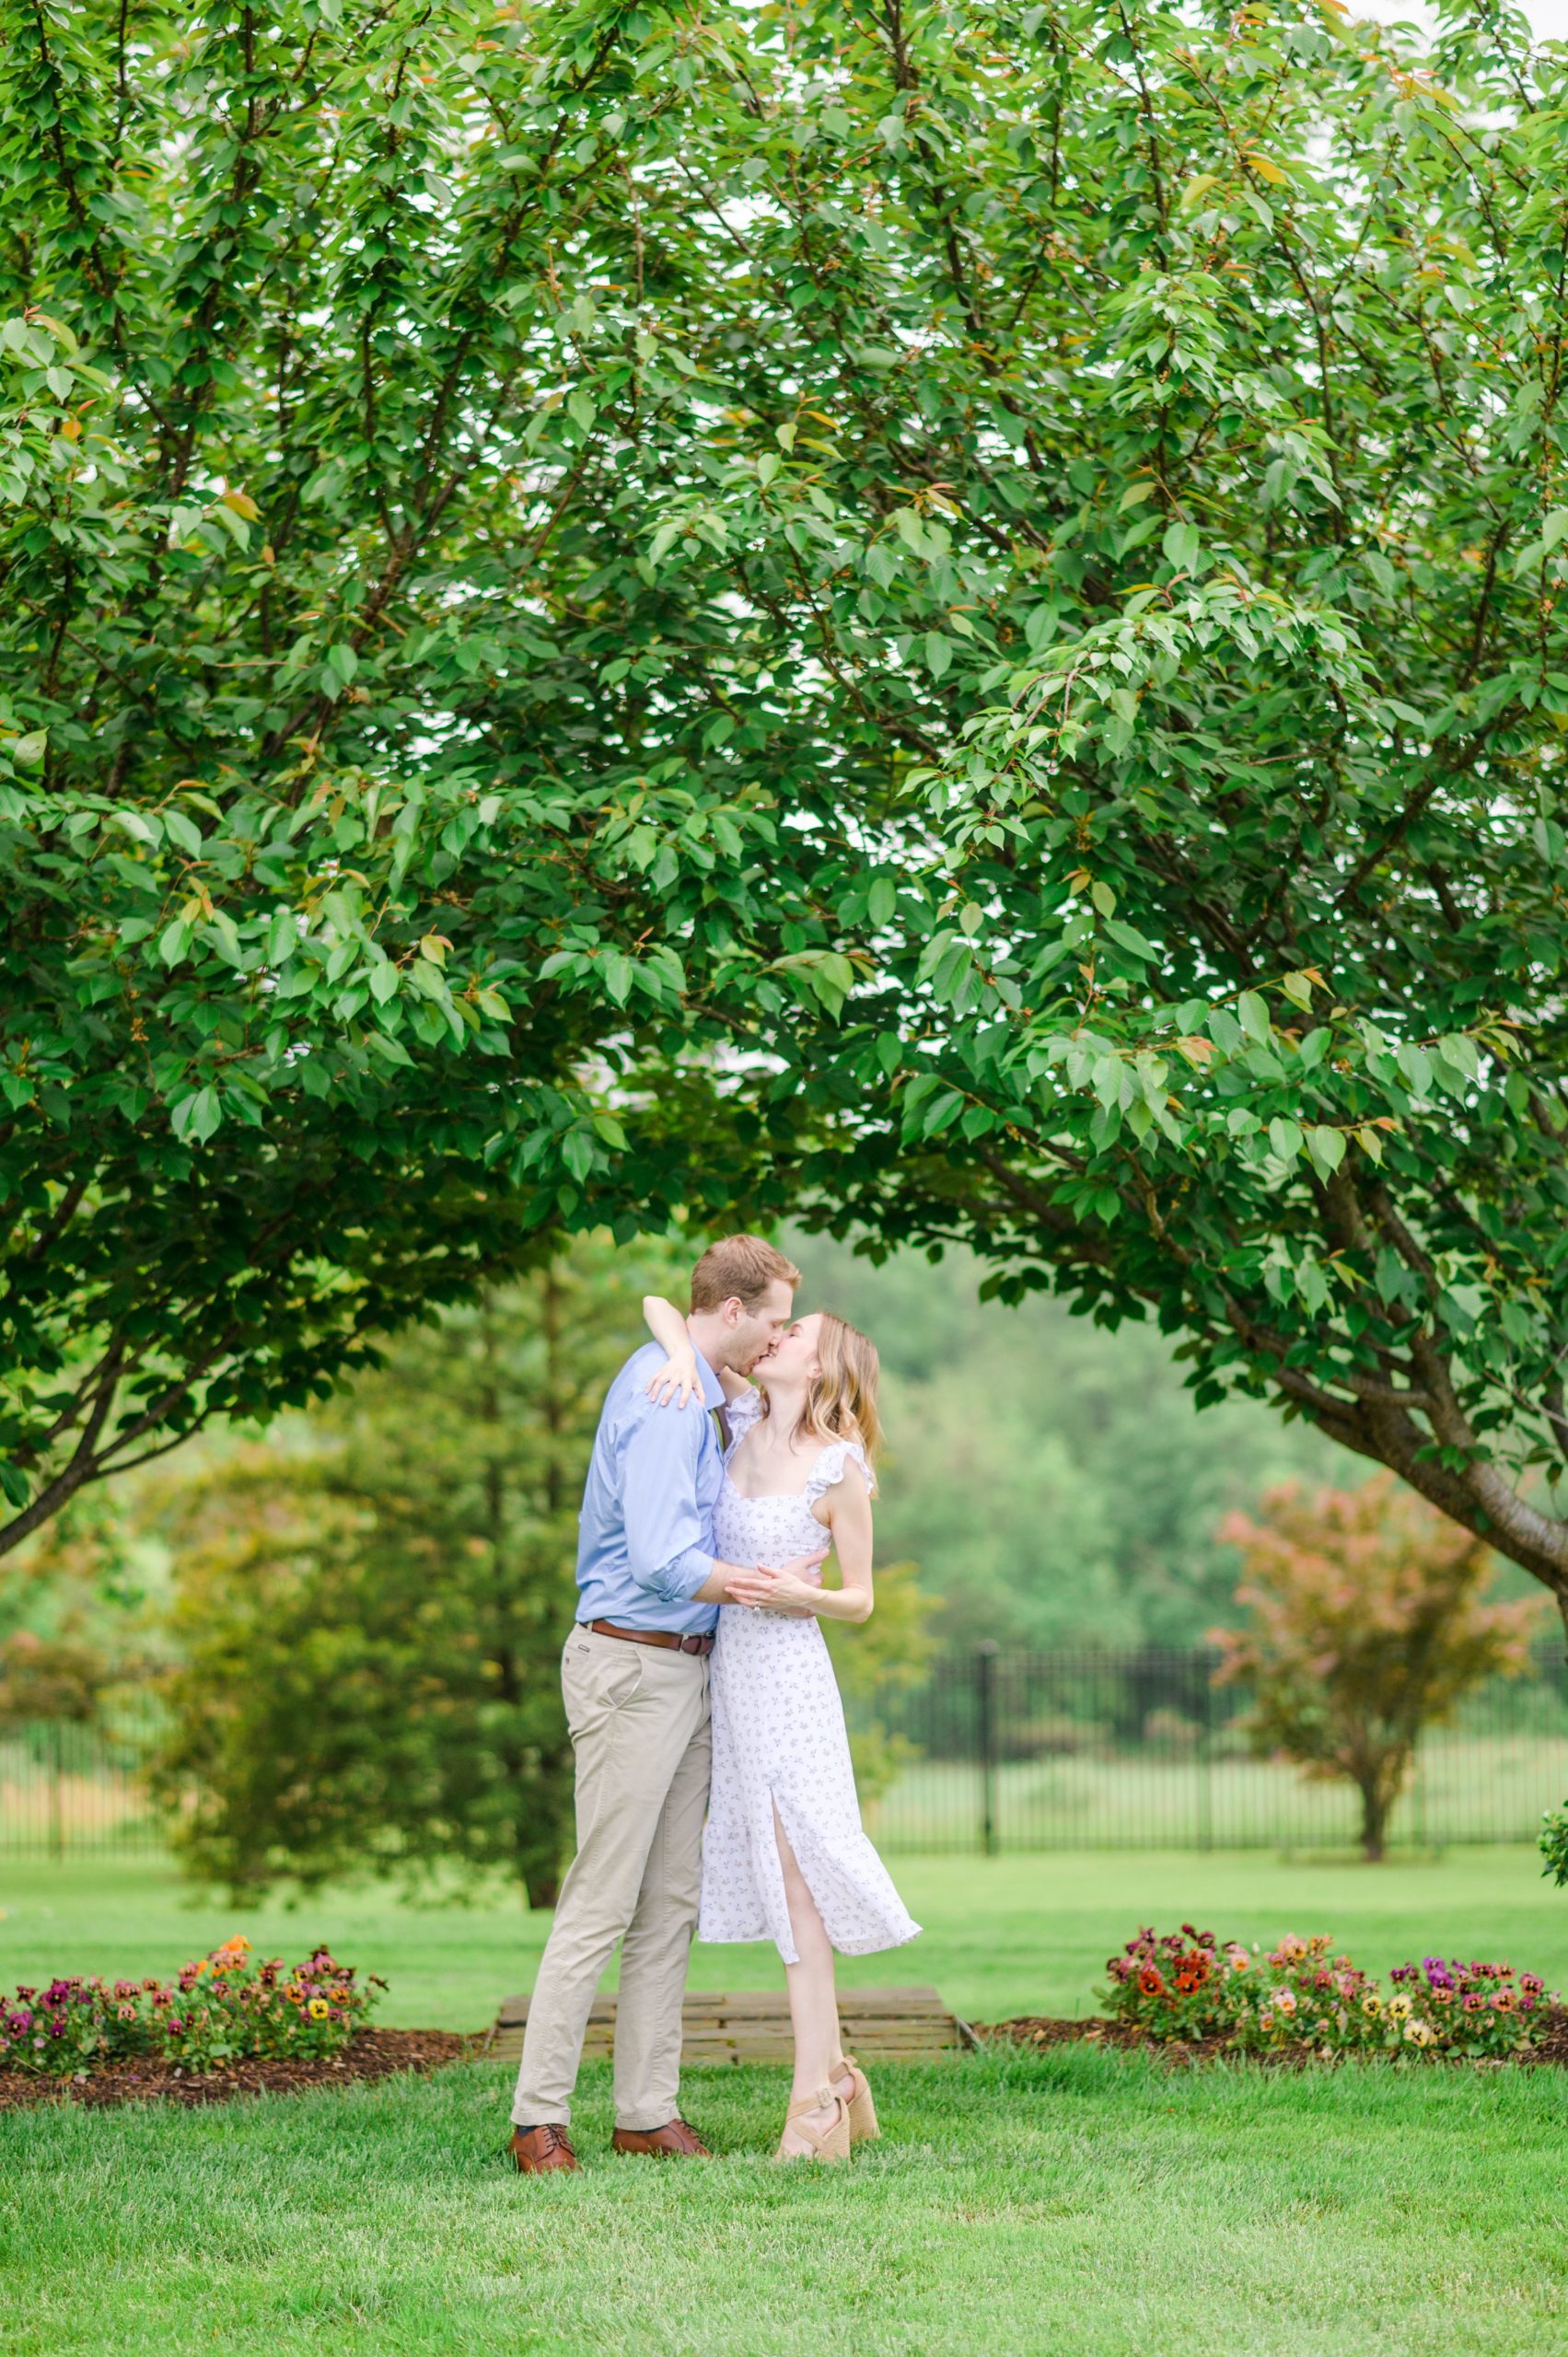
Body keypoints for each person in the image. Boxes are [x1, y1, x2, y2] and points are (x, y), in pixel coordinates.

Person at [507, 1235, 828, 2175]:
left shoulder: (698, 1376)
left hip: (687, 1667)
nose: (775, 1339)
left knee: (668, 1904)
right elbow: (661, 1561)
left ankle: (646, 2111)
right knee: (600, 1899)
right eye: (770, 1320)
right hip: (631, 1664)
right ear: (734, 1311)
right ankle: (537, 2121)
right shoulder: (665, 1399)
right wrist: (772, 1586)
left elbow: (667, 1307)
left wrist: (680, 1338)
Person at [642, 1294, 920, 2163]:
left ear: (820, 1366)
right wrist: (685, 1360)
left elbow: (861, 1599)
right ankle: (834, 2075)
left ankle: (815, 2097)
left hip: (793, 1682)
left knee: (798, 1878)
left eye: (792, 1333)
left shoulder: (836, 1466)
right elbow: (659, 1306)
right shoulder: (732, 1418)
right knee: (771, 1873)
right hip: (733, 1680)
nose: (774, 1336)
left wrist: (808, 1597)